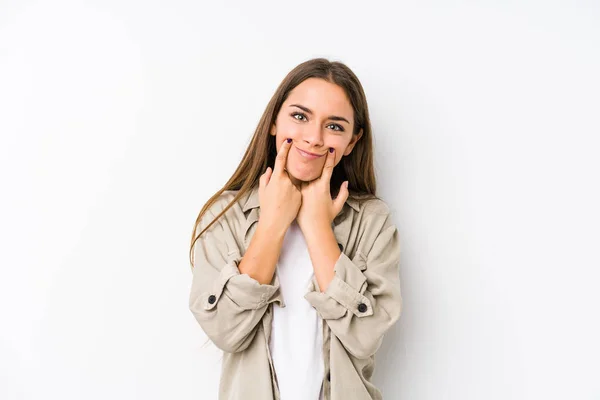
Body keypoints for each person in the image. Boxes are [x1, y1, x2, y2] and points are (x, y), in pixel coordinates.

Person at [188, 57, 402, 400]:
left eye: (334, 126)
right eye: (300, 117)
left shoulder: (372, 222)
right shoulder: (226, 215)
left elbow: (365, 336)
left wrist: (317, 227)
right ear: (275, 121)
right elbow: (225, 331)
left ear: (352, 141)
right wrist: (272, 224)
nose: (314, 138)